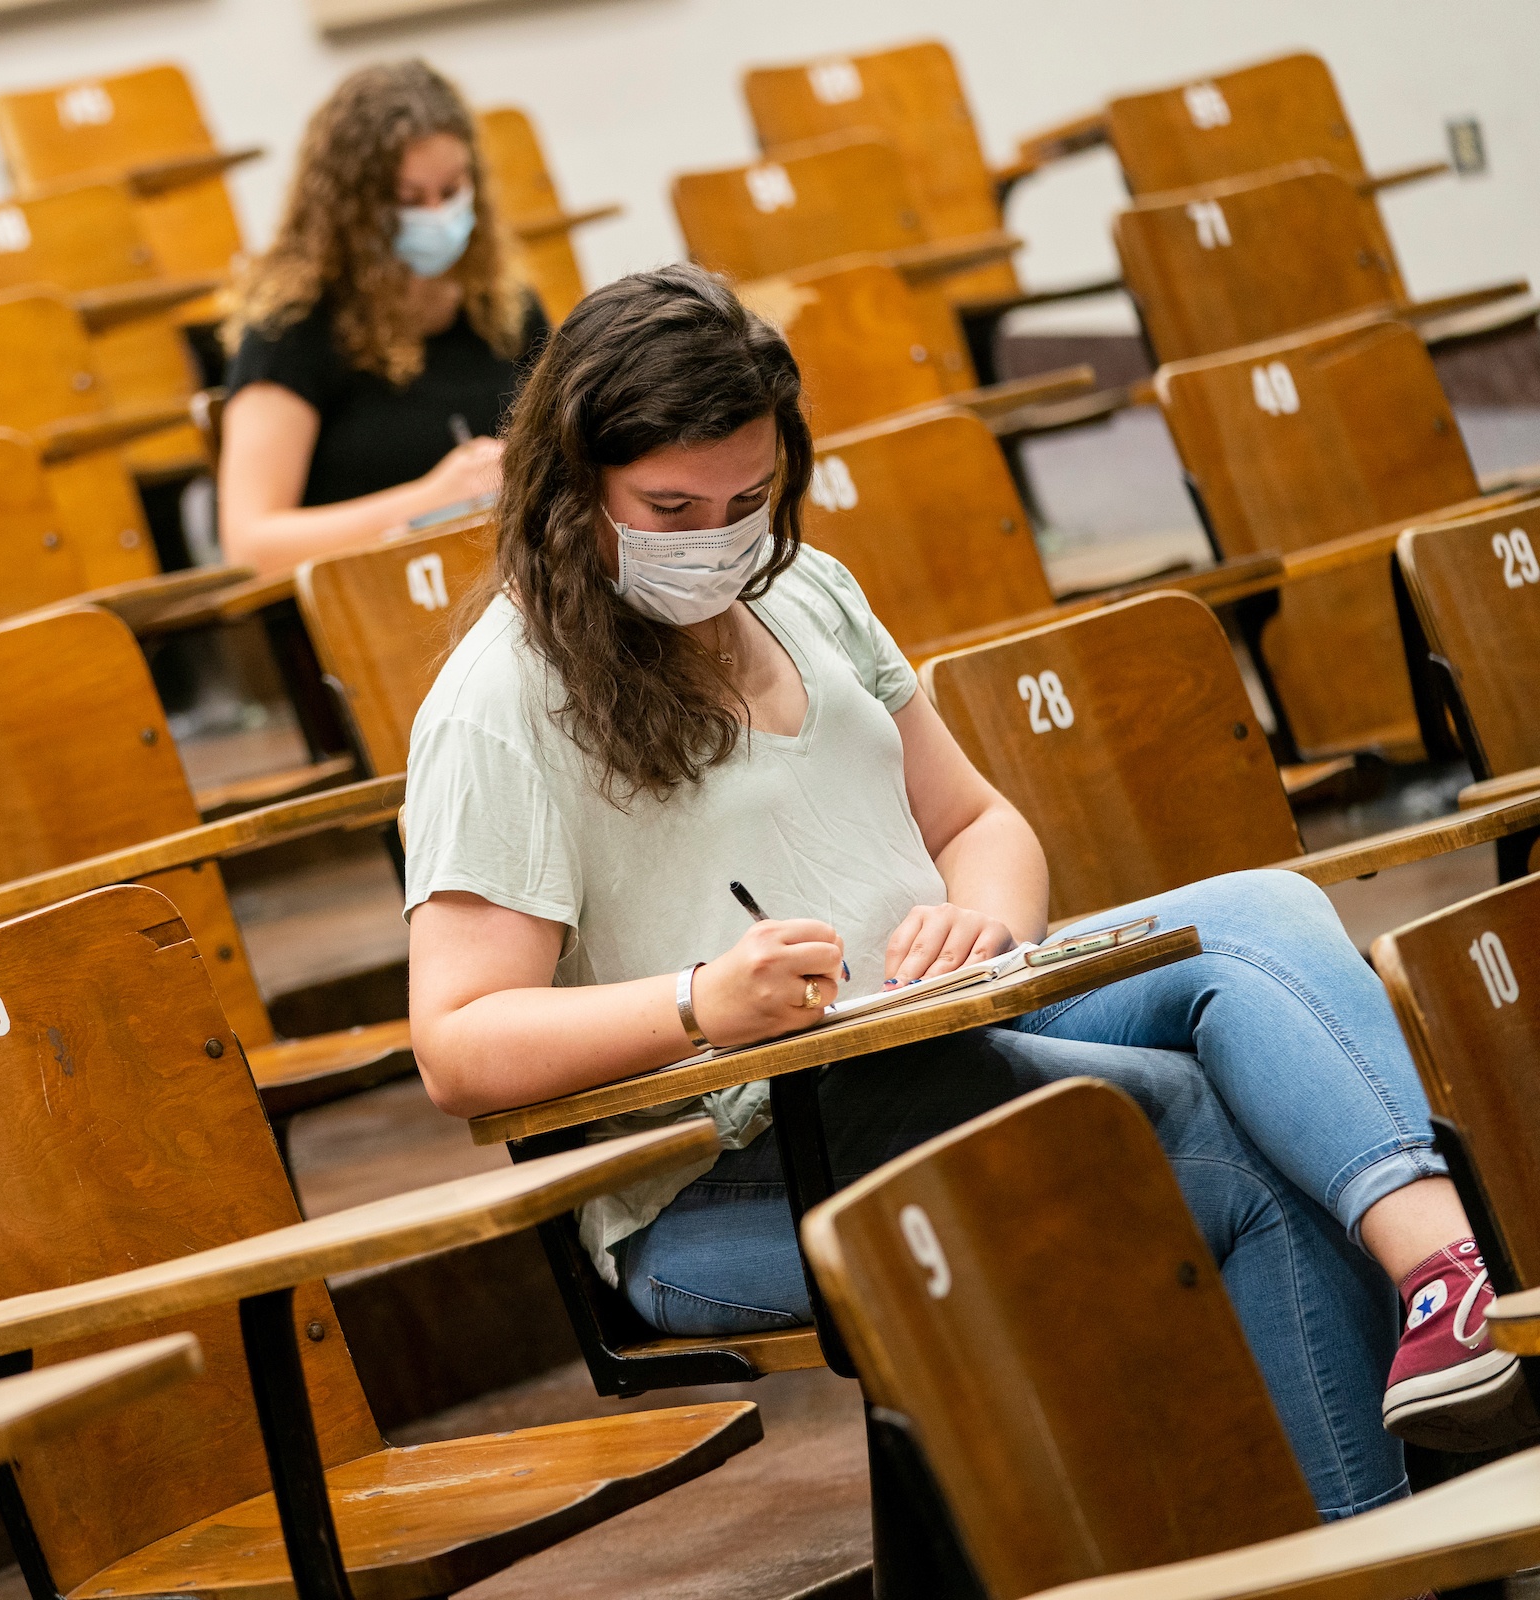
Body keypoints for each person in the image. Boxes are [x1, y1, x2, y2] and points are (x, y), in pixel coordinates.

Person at [402, 263, 1528, 1519]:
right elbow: (456, 1048)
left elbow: (979, 821)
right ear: (570, 488)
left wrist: (989, 912)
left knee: (1254, 913)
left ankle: (1449, 1284)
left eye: (748, 499)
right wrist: (701, 1000)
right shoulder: (500, 703)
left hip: (945, 1027)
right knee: (1219, 1135)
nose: (715, 540)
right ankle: (1369, 1550)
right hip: (739, 1173)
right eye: (669, 506)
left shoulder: (800, 586)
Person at [218, 60, 548, 572]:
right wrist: (431, 500)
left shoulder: (504, 306)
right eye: (409, 200)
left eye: (452, 191)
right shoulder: (293, 330)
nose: (437, 214)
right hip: (379, 607)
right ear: (351, 208)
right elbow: (251, 544)